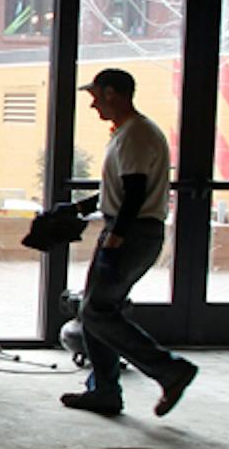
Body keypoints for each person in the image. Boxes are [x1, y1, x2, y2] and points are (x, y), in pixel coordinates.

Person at [61, 68, 197, 417]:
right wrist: (76, 208)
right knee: (97, 311)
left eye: (95, 96)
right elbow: (118, 190)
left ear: (111, 93)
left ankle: (168, 370)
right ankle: (105, 390)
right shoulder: (127, 133)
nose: (92, 105)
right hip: (128, 230)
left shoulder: (136, 134)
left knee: (95, 311)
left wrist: (116, 239)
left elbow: (135, 192)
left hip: (132, 233)